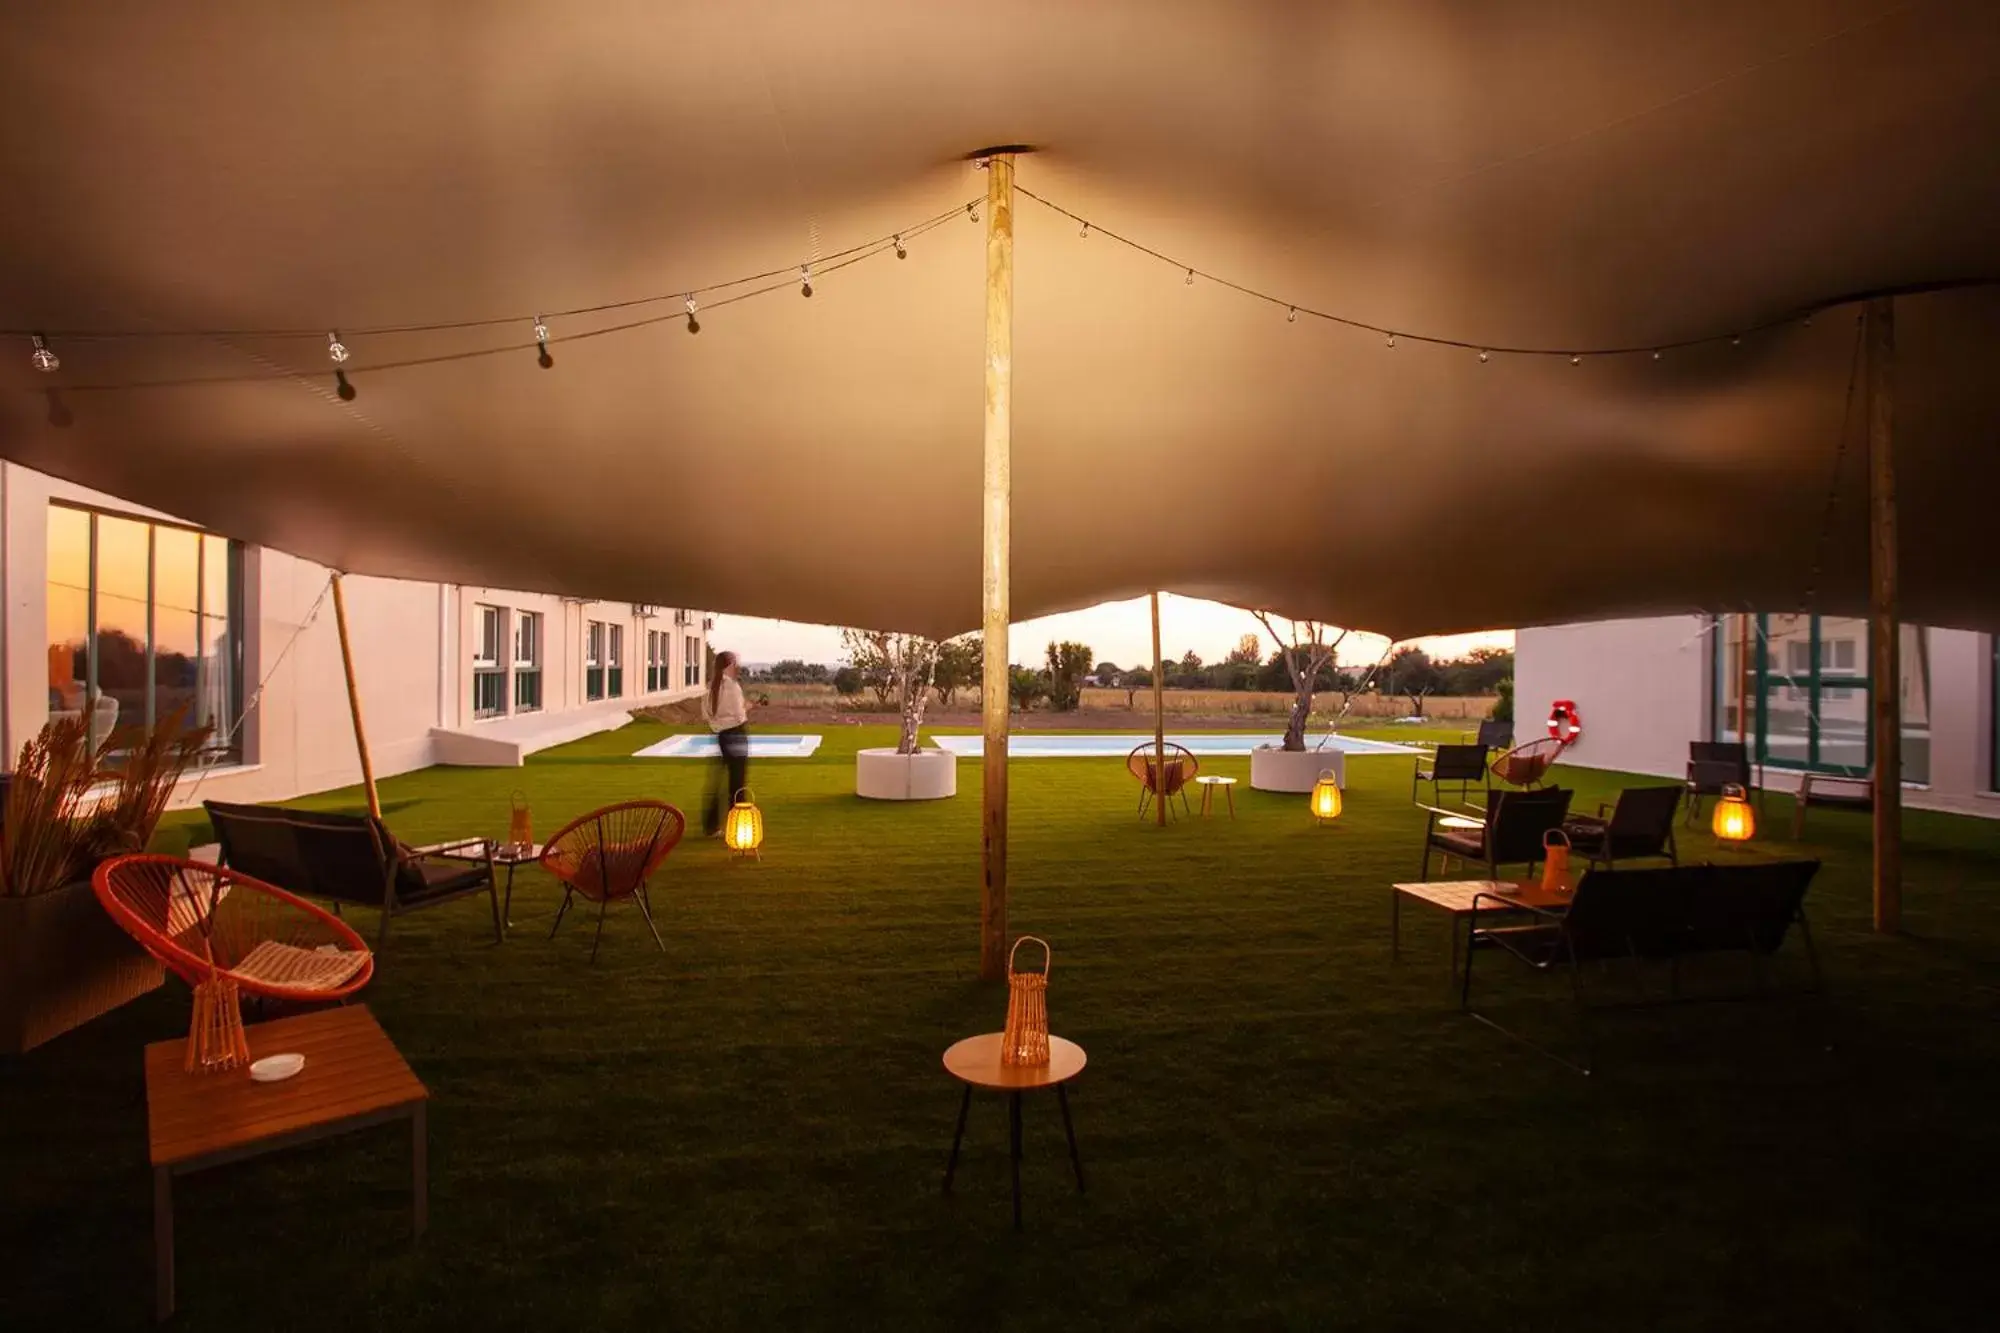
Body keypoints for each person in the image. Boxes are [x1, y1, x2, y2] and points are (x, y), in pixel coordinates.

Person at [702, 651, 750, 836]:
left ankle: (711, 827)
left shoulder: (710, 687)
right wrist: (748, 708)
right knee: (738, 782)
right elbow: (738, 714)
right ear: (730, 665)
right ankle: (738, 827)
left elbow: (707, 714)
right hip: (737, 734)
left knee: (717, 780)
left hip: (721, 736)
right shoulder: (732, 687)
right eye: (735, 663)